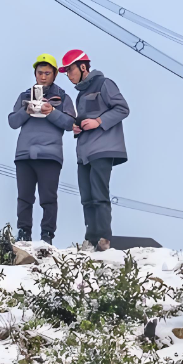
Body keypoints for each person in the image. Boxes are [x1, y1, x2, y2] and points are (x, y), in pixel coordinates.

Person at [59, 49, 129, 251]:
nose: (68, 75)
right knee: (86, 197)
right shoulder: (80, 95)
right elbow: (86, 120)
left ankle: (104, 238)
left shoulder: (104, 84)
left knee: (99, 194)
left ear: (83, 66)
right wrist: (76, 127)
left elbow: (122, 108)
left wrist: (99, 121)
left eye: (70, 69)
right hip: (84, 152)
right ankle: (90, 238)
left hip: (103, 148)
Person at [8, 53, 76, 244]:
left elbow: (70, 123)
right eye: (40, 73)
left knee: (48, 197)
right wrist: (27, 111)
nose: (43, 76)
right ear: (35, 74)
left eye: (47, 73)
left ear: (55, 74)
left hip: (50, 154)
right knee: (24, 197)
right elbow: (12, 122)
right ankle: (23, 233)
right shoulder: (24, 95)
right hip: (24, 154)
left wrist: (51, 112)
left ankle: (47, 235)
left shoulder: (62, 97)